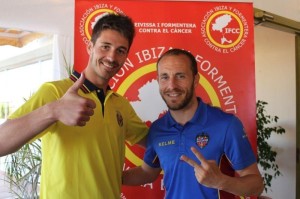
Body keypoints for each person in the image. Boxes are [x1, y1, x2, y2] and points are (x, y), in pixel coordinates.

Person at [0, 13, 148, 199]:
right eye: (105, 47)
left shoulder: (120, 104)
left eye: (120, 50)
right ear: (90, 47)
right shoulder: (54, 91)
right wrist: (53, 111)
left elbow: (154, 142)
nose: (111, 57)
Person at [122, 48, 264, 199]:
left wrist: (222, 182)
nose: (172, 85)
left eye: (180, 76)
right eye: (164, 77)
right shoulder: (158, 129)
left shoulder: (226, 125)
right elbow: (147, 172)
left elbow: (256, 185)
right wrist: (110, 177)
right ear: (158, 81)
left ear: (195, 80)